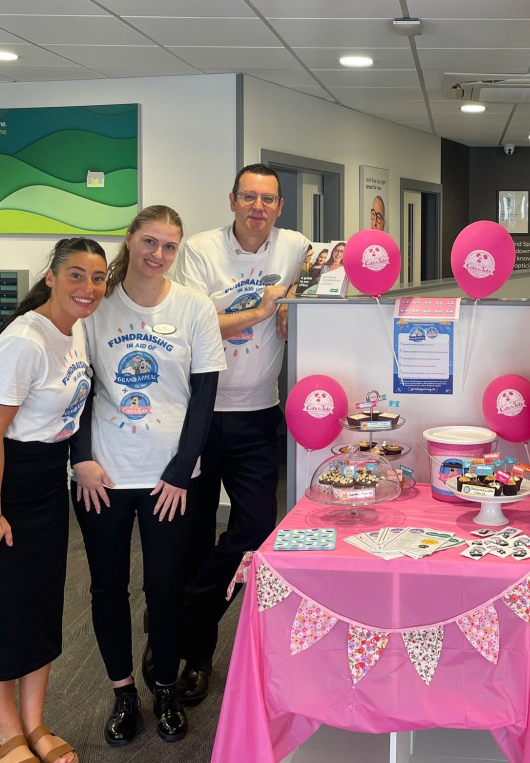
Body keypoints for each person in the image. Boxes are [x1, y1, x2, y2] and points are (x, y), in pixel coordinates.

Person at [71, 206, 226, 746]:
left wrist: (184, 470)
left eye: (169, 246)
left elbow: (205, 391)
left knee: (165, 587)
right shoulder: (95, 307)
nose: (158, 254)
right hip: (103, 476)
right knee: (107, 586)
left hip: (170, 476)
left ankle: (162, 686)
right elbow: (78, 388)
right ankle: (122, 694)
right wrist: (79, 458)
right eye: (150, 241)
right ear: (131, 240)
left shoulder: (193, 306)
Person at [173, 164, 310, 705]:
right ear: (232, 200)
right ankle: (197, 654)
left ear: (280, 207)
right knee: (192, 532)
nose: (258, 207)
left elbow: (343, 262)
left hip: (258, 413)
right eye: (248, 197)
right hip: (198, 413)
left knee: (253, 530)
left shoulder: (295, 245)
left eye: (268, 199)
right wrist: (263, 308)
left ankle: (182, 613)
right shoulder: (202, 249)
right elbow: (197, 321)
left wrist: (296, 294)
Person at [0, 238, 107, 763]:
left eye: (97, 278)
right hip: (9, 483)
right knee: (7, 611)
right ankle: (7, 734)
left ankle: (35, 722)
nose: (88, 288)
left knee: (42, 606)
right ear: (51, 276)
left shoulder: (75, 330)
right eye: (76, 276)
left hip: (47, 483)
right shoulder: (25, 340)